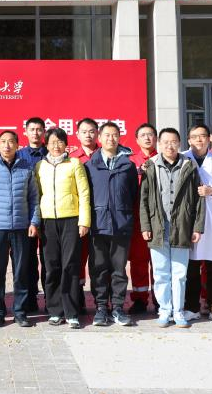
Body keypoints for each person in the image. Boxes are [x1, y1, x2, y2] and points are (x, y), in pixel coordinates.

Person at [140, 128, 204, 328]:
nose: (170, 146)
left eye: (173, 141)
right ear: (159, 144)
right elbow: (144, 199)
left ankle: (178, 311)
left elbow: (199, 199)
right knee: (160, 273)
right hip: (158, 226)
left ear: (179, 144)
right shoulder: (151, 166)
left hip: (182, 227)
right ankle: (164, 310)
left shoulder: (189, 166)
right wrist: (145, 225)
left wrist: (198, 227)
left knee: (180, 273)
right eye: (165, 142)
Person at [0, 129, 39, 327]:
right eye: (3, 141)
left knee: (21, 272)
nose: (7, 145)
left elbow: (34, 198)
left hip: (21, 227)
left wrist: (34, 222)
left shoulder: (27, 168)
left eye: (11, 141)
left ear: (18, 145)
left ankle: (20, 312)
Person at [34, 128, 91, 328]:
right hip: (47, 221)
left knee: (70, 265)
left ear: (66, 144)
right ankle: (55, 310)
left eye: (60, 142)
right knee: (51, 266)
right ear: (46, 144)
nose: (56, 146)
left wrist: (84, 221)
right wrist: (36, 222)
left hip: (71, 220)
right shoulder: (40, 166)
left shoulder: (74, 163)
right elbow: (36, 196)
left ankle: (72, 311)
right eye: (52, 142)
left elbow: (84, 193)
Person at [84, 121, 139, 327]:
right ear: (99, 138)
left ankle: (117, 307)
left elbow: (132, 194)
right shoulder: (90, 165)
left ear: (119, 137)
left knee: (118, 269)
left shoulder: (128, 165)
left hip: (121, 225)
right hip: (98, 225)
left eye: (115, 135)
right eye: (106, 135)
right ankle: (101, 307)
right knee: (98, 268)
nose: (111, 138)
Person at [181, 124, 212, 324]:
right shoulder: (182, 158)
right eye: (195, 136)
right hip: (190, 219)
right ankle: (191, 307)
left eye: (203, 136)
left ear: (208, 139)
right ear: (189, 140)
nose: (199, 140)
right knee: (191, 267)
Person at [18, 117, 48, 313]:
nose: (36, 133)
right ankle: (29, 298)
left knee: (49, 259)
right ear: (26, 132)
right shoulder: (19, 155)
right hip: (25, 215)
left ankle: (50, 298)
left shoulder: (52, 152)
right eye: (32, 129)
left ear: (44, 132)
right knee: (27, 259)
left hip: (50, 214)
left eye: (39, 129)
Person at [127, 123, 158, 316]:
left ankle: (160, 300)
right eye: (143, 135)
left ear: (156, 138)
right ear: (136, 140)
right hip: (137, 220)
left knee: (159, 263)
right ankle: (139, 299)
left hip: (158, 220)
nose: (147, 138)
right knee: (138, 262)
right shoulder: (130, 162)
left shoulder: (163, 159)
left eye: (151, 134)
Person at [73, 117, 100, 312]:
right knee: (78, 259)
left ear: (97, 133)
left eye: (92, 131)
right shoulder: (72, 158)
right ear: (77, 134)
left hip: (101, 216)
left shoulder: (107, 155)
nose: (88, 135)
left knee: (99, 261)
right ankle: (78, 298)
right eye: (84, 132)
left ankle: (101, 300)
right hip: (79, 217)